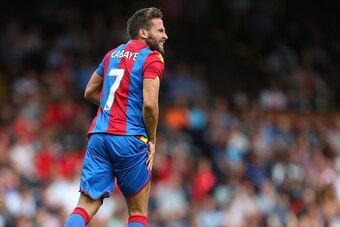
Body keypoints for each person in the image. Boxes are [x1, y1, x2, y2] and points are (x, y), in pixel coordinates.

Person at [64, 7, 168, 227]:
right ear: (143, 33)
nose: (165, 35)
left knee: (85, 205)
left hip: (99, 136)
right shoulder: (152, 59)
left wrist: (114, 108)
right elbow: (149, 105)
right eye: (160, 30)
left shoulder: (112, 54)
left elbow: (89, 91)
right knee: (138, 212)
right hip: (130, 139)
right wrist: (153, 140)